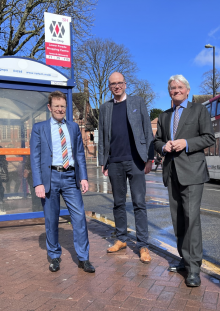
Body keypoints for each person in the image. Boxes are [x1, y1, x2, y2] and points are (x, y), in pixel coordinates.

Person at [154, 75, 215, 287]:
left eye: (180, 87)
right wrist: (163, 147)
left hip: (192, 173)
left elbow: (209, 137)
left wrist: (186, 143)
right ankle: (184, 258)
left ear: (187, 91)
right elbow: (157, 140)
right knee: (178, 220)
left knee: (191, 219)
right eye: (172, 88)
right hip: (171, 173)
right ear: (169, 91)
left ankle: (194, 268)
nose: (176, 90)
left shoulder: (199, 110)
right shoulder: (164, 116)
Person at [30, 90, 94, 273]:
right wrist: (38, 183)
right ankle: (54, 256)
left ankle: (84, 258)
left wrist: (83, 177)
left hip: (70, 177)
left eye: (63, 106)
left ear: (67, 108)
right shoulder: (39, 128)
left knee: (80, 217)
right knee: (51, 219)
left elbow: (79, 154)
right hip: (50, 177)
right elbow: (34, 157)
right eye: (56, 106)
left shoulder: (73, 127)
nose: (60, 109)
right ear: (50, 107)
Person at [98, 72, 154, 263]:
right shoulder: (105, 108)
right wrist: (103, 162)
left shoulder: (137, 102)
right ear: (110, 87)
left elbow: (147, 130)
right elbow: (103, 137)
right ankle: (121, 239)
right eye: (113, 84)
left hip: (136, 160)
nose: (117, 86)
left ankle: (142, 245)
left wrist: (150, 158)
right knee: (118, 203)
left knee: (139, 203)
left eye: (119, 83)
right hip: (114, 162)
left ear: (125, 84)